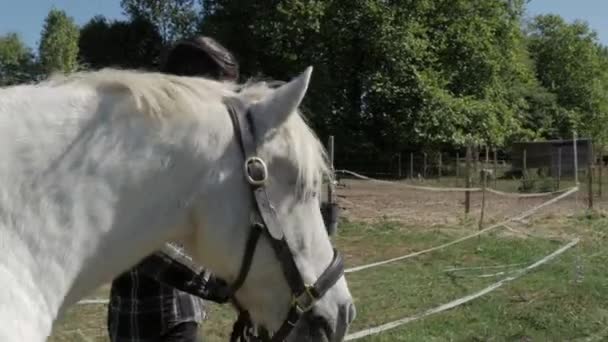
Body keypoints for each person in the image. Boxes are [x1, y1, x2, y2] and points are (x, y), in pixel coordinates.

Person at [107, 36, 239, 342]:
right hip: (149, 320)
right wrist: (217, 283)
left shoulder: (181, 142)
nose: (223, 106)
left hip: (170, 314)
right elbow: (140, 236)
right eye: (218, 94)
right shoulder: (140, 142)